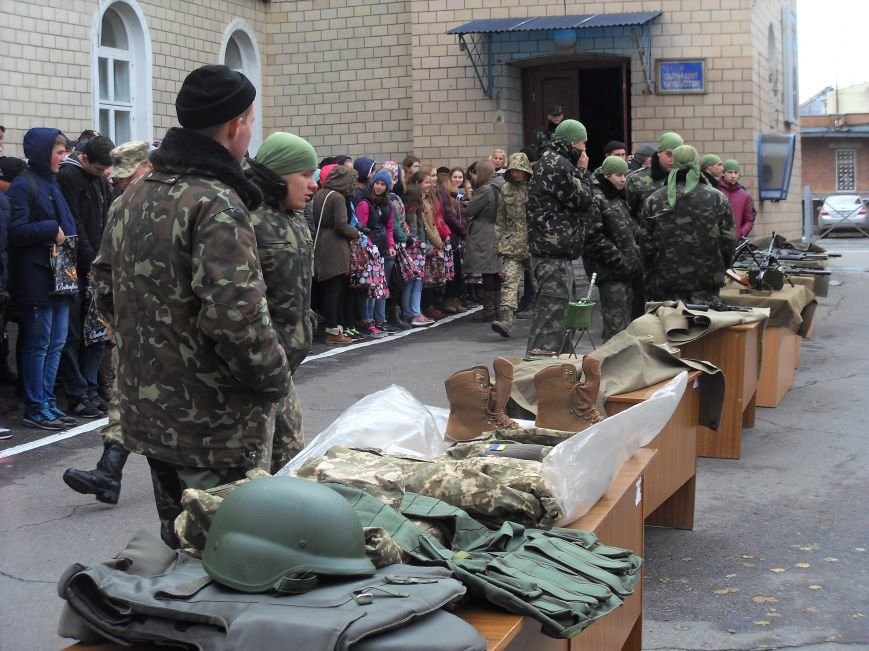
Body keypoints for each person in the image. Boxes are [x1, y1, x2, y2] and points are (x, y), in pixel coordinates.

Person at [92, 64, 291, 548]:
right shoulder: (216, 202)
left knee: (177, 546)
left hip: (150, 412)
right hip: (212, 424)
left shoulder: (134, 194)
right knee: (226, 555)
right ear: (233, 127)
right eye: (250, 120)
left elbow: (103, 287)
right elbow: (235, 317)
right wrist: (275, 380)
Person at [62, 139, 154, 504]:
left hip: (174, 326)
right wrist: (112, 315)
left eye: (127, 177)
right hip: (136, 322)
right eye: (118, 180)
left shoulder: (179, 201)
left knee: (173, 406)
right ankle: (109, 472)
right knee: (126, 394)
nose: (121, 184)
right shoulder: (121, 205)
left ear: (146, 168)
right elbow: (105, 264)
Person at [245, 132, 319, 472]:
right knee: (254, 476)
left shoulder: (293, 216)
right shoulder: (247, 217)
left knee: (292, 460)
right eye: (305, 174)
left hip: (285, 367)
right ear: (278, 175)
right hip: (257, 372)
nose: (314, 184)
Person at [7, 128, 78, 430]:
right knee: (39, 344)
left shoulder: (52, 182)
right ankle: (36, 406)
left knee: (57, 342)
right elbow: (15, 231)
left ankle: (48, 401)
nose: (64, 158)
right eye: (59, 152)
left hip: (60, 275)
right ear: (42, 152)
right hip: (36, 278)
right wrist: (49, 227)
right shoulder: (24, 185)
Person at [57, 134, 115, 418]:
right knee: (72, 333)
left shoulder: (101, 181)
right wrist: (91, 259)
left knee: (97, 333)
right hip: (77, 266)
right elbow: (75, 222)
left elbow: (105, 219)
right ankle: (77, 393)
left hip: (98, 265)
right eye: (99, 169)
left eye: (106, 171)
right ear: (84, 159)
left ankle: (91, 389)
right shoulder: (69, 176)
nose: (104, 175)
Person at [525, 119, 593, 356]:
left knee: (562, 316)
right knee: (551, 319)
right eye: (583, 143)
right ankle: (538, 373)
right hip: (551, 253)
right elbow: (583, 199)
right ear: (573, 142)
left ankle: (559, 368)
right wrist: (583, 172)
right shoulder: (557, 164)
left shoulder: (553, 161)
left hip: (555, 252)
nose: (585, 149)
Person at [640, 145, 737, 304]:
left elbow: (646, 245)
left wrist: (651, 275)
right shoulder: (717, 198)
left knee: (671, 327)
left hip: (667, 284)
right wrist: (722, 266)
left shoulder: (654, 200)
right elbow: (729, 239)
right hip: (707, 282)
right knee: (706, 327)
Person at [624, 131, 684, 316]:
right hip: (645, 256)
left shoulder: (686, 181)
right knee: (642, 309)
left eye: (678, 155)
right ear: (657, 154)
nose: (673, 159)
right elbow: (626, 214)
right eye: (668, 154)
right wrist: (641, 236)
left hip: (677, 258)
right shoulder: (637, 180)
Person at [582, 156, 640, 341]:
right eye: (618, 175)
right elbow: (593, 237)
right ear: (607, 175)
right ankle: (610, 365)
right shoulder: (596, 198)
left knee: (626, 326)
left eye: (625, 175)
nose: (623, 179)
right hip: (610, 272)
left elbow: (628, 231)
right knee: (615, 328)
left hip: (626, 272)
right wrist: (619, 261)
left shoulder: (618, 197)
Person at [312, 164, 361, 344]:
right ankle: (333, 331)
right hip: (334, 247)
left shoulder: (320, 194)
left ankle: (332, 328)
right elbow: (341, 225)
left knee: (327, 289)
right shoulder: (338, 197)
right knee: (335, 290)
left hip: (321, 243)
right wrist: (355, 232)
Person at [491, 152, 533, 338]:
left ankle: (552, 319)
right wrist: (498, 243)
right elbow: (501, 218)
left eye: (519, 170)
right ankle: (506, 321)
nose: (516, 174)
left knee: (543, 283)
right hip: (512, 243)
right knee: (509, 282)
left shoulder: (535, 187)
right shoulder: (505, 189)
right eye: (513, 170)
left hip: (533, 243)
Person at [356, 169, 398, 336]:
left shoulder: (389, 205)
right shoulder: (365, 203)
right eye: (377, 183)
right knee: (368, 287)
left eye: (383, 184)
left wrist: (391, 245)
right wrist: (370, 247)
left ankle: (378, 319)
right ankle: (367, 320)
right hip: (370, 250)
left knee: (379, 287)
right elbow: (362, 228)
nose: (379, 187)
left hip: (383, 250)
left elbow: (389, 228)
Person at [464, 160, 502, 322]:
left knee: (488, 272)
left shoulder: (485, 190)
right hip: (497, 230)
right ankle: (497, 308)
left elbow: (471, 209)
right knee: (494, 272)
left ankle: (489, 310)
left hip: (484, 232)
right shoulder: (501, 185)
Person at [720, 159, 756, 238]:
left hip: (735, 242)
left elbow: (749, 220)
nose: (733, 176)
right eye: (730, 172)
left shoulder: (745, 195)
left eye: (736, 172)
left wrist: (740, 234)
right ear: (723, 173)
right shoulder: (716, 191)